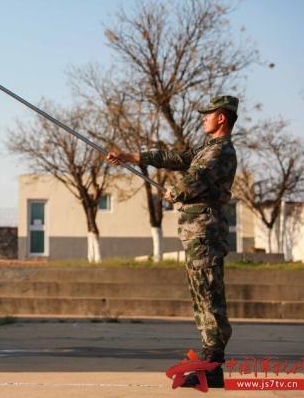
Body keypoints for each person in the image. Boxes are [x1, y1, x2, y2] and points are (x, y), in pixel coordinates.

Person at [106, 95, 239, 388]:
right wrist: (131, 157)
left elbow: (195, 180)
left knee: (209, 296)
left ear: (222, 118)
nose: (203, 118)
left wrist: (174, 193)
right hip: (196, 234)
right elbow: (177, 159)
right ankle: (210, 365)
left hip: (205, 233)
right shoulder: (206, 149)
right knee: (200, 297)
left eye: (209, 114)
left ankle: (212, 364)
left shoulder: (222, 152)